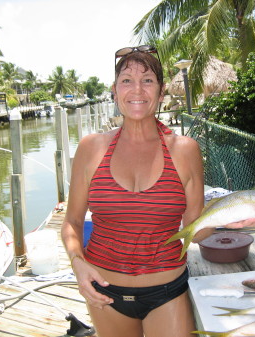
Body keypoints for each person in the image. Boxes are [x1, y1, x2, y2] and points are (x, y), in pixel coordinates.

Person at [61, 45, 204, 337]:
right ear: (115, 91)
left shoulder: (185, 150)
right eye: (127, 80)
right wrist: (78, 265)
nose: (137, 89)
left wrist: (232, 217)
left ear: (161, 91)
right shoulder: (91, 148)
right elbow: (72, 223)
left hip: (168, 291)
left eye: (147, 80)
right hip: (105, 292)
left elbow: (196, 230)